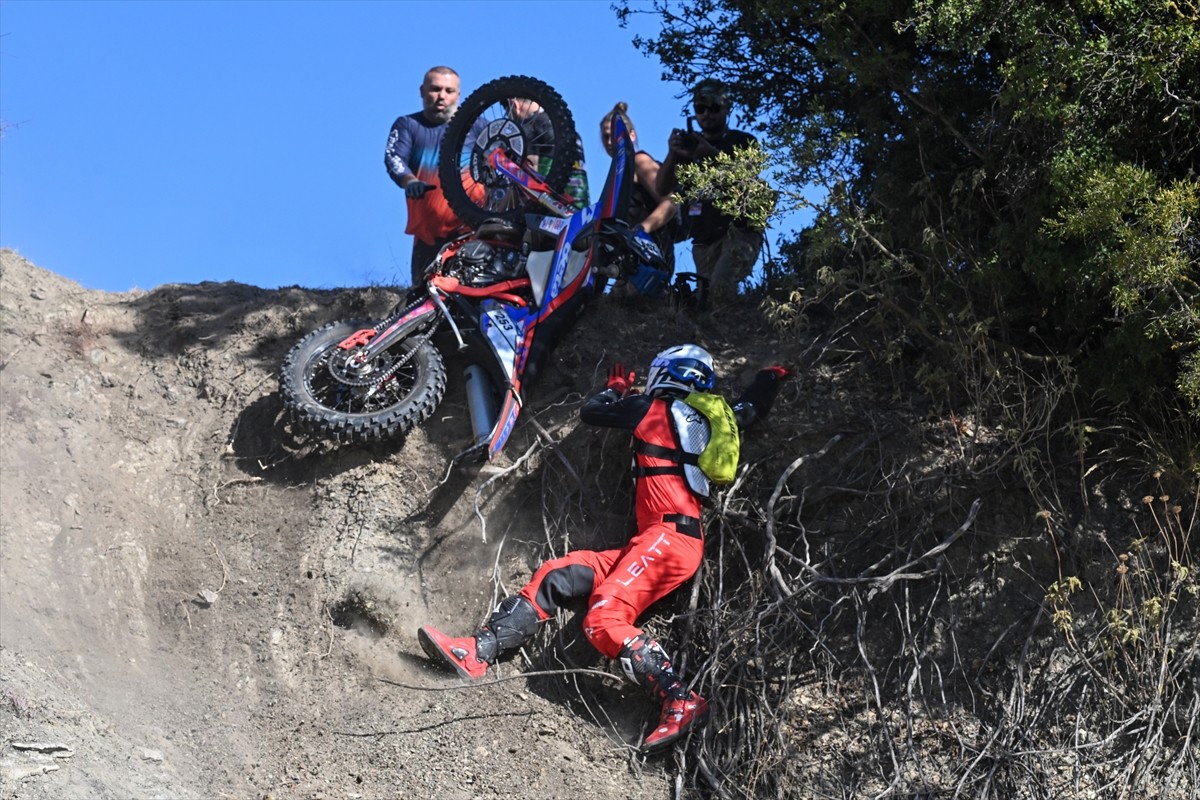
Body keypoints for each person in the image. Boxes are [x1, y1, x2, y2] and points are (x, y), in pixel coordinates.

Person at [417, 345, 790, 753]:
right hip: (660, 540)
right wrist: (770, 376)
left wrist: (615, 388)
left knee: (603, 618)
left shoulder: (653, 409)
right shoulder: (715, 419)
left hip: (669, 539)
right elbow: (750, 408)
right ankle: (477, 652)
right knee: (560, 573)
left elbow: (593, 412)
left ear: (666, 375)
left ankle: (679, 698)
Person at [656, 79, 765, 300]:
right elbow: (662, 188)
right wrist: (673, 154)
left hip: (739, 231)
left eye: (714, 108)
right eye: (700, 109)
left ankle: (739, 326)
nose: (707, 114)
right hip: (704, 238)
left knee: (721, 288)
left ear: (727, 109)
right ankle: (718, 331)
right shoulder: (691, 147)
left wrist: (711, 155)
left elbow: (749, 177)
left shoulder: (743, 141)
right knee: (704, 299)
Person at [385, 66, 471, 286]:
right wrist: (409, 181)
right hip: (427, 236)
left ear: (458, 95)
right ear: (422, 91)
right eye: (435, 89)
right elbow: (394, 158)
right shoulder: (408, 125)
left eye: (449, 91)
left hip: (471, 231)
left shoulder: (478, 128)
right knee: (421, 300)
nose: (441, 96)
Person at [600, 103, 679, 280]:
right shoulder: (619, 171)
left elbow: (671, 202)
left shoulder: (639, 161)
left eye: (614, 135)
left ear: (632, 135)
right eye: (605, 137)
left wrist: (642, 229)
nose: (610, 142)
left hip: (651, 255)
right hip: (631, 261)